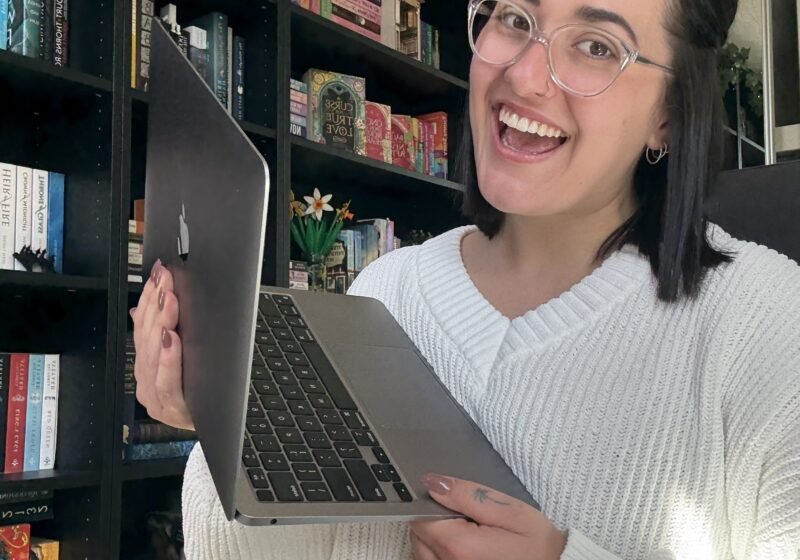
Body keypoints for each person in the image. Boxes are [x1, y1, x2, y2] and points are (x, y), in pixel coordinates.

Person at [131, 0, 800, 557]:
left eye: (596, 47)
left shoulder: (768, 322)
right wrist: (221, 431)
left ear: (670, 114)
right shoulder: (387, 289)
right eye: (514, 18)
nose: (526, 75)